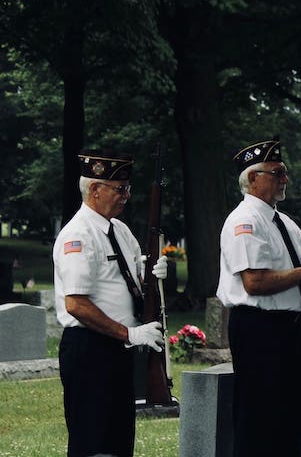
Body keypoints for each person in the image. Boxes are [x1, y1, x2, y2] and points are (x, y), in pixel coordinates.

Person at [216, 139, 301, 457]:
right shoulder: (245, 221)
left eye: (284, 172)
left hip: (287, 328)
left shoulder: (281, 221)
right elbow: (254, 281)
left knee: (289, 418)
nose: (285, 179)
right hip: (259, 328)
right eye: (277, 172)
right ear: (253, 178)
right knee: (260, 420)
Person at [53, 149, 168, 457]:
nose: (127, 196)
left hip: (117, 348)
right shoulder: (77, 236)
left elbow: (130, 284)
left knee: (118, 440)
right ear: (95, 189)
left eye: (128, 189)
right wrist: (129, 333)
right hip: (89, 348)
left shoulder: (120, 231)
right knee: (92, 441)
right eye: (120, 189)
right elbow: (76, 304)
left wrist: (152, 273)